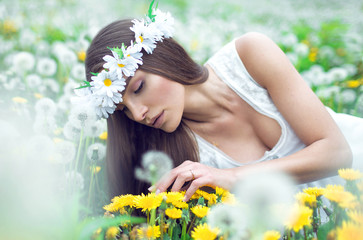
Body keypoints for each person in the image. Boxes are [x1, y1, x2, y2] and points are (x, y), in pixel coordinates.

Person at [83, 4, 363, 201]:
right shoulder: (182, 161)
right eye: (124, 111)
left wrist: (233, 177)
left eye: (139, 88)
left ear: (163, 56)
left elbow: (337, 153)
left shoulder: (250, 55)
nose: (138, 113)